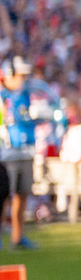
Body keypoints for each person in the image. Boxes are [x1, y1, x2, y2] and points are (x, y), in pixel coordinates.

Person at [0, 56, 64, 250]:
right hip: (7, 154)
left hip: (26, 150)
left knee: (22, 194)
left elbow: (37, 114)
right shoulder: (3, 97)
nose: (22, 79)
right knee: (3, 196)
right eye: (19, 75)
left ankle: (17, 237)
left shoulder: (27, 94)